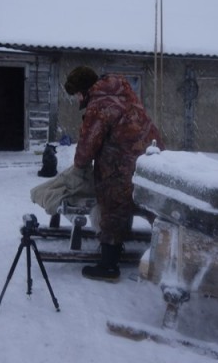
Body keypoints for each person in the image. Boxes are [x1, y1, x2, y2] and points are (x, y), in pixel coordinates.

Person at [64, 66, 164, 281]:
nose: (76, 100)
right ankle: (170, 252)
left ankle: (108, 266)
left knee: (113, 206)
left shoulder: (99, 105)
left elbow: (88, 142)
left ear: (82, 90)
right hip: (152, 160)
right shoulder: (123, 93)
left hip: (122, 164)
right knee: (153, 207)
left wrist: (78, 167)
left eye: (75, 94)